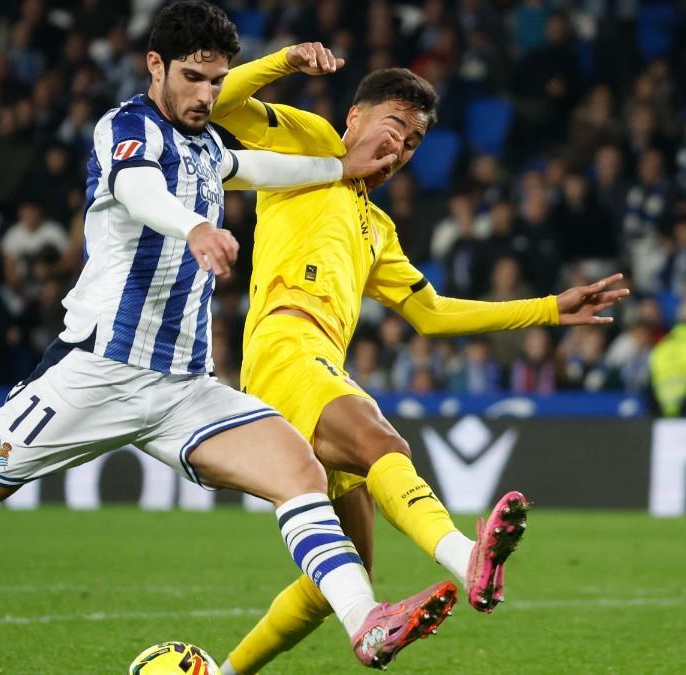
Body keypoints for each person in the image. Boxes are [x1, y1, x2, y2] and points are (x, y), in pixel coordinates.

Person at [0, 4, 453, 669]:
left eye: (217, 81)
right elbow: (140, 192)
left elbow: (260, 171)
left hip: (185, 388)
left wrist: (340, 169)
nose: (206, 96)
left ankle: (365, 620)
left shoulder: (205, 146)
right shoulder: (125, 128)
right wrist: (192, 227)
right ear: (156, 66)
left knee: (301, 471)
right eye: (194, 78)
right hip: (96, 375)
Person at [209, 43, 629, 674]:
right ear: (354, 118)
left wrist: (547, 309)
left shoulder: (377, 226)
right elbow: (220, 100)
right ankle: (467, 558)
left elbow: (432, 313)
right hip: (284, 346)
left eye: (413, 143)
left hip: (321, 362)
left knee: (346, 570)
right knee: (383, 443)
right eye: (394, 128)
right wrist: (288, 61)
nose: (401, 150)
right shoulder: (311, 146)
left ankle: (224, 672)